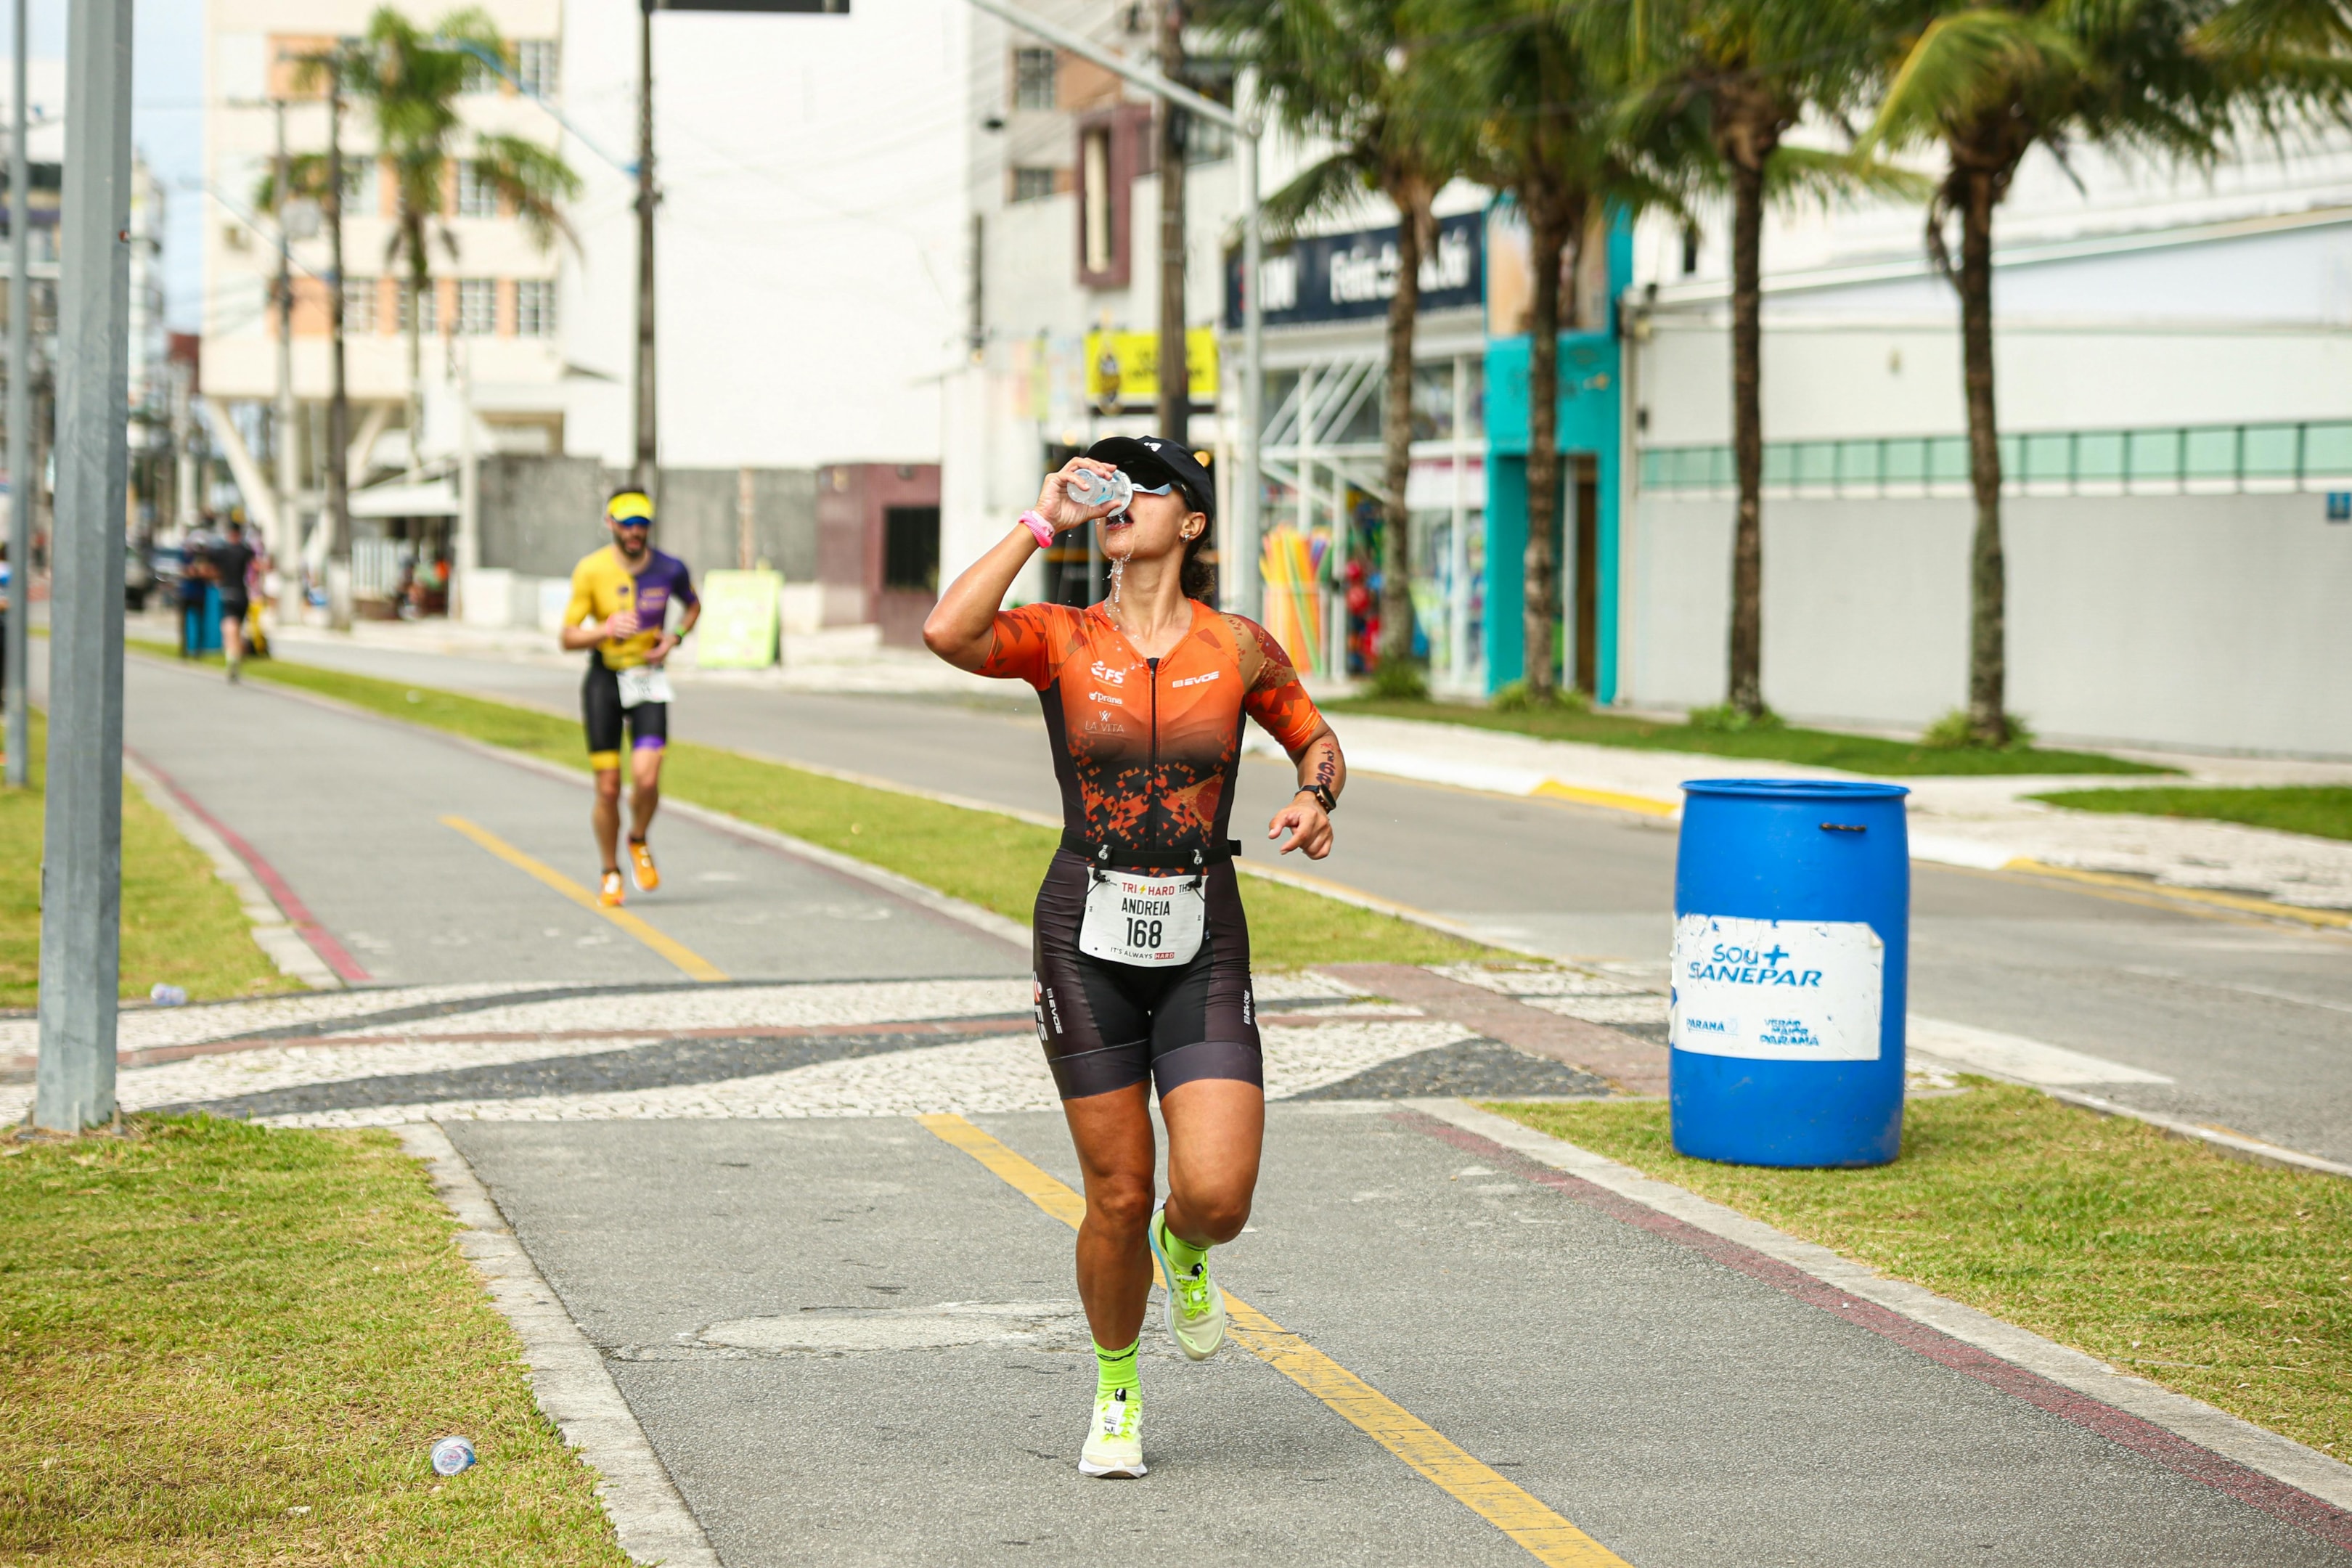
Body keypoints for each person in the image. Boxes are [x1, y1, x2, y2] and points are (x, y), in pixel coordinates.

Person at [923, 436, 1346, 1479]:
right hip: (1085, 927)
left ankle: (1187, 1249)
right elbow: (947, 630)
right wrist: (1040, 521)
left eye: (1141, 485)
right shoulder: (1063, 639)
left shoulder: (1238, 646)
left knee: (1217, 1194)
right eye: (1104, 481)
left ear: (1191, 523)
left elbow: (1317, 740)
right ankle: (1117, 1387)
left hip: (1204, 928)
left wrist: (1315, 795)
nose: (1117, 495)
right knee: (1116, 1191)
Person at [559, 489, 699, 907]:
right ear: (611, 524)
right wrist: (604, 630)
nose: (636, 533)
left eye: (643, 525)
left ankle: (637, 837)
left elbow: (693, 606)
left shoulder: (670, 568)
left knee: (648, 778)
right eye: (628, 525)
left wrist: (674, 638)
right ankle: (610, 869)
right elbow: (567, 637)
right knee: (607, 788)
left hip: (647, 678)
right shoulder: (591, 570)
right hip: (604, 679)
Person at [208, 520, 257, 682]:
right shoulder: (245, 550)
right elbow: (256, 567)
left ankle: (232, 656)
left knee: (229, 627)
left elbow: (212, 571)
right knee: (238, 628)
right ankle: (237, 653)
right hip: (242, 593)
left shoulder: (221, 551)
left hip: (227, 592)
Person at [179, 522, 216, 660]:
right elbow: (184, 571)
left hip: (200, 594)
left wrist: (202, 573)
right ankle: (184, 650)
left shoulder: (207, 558)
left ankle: (198, 651)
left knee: (201, 623)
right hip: (187, 593)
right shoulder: (186, 555)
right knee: (184, 624)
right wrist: (193, 572)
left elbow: (210, 574)